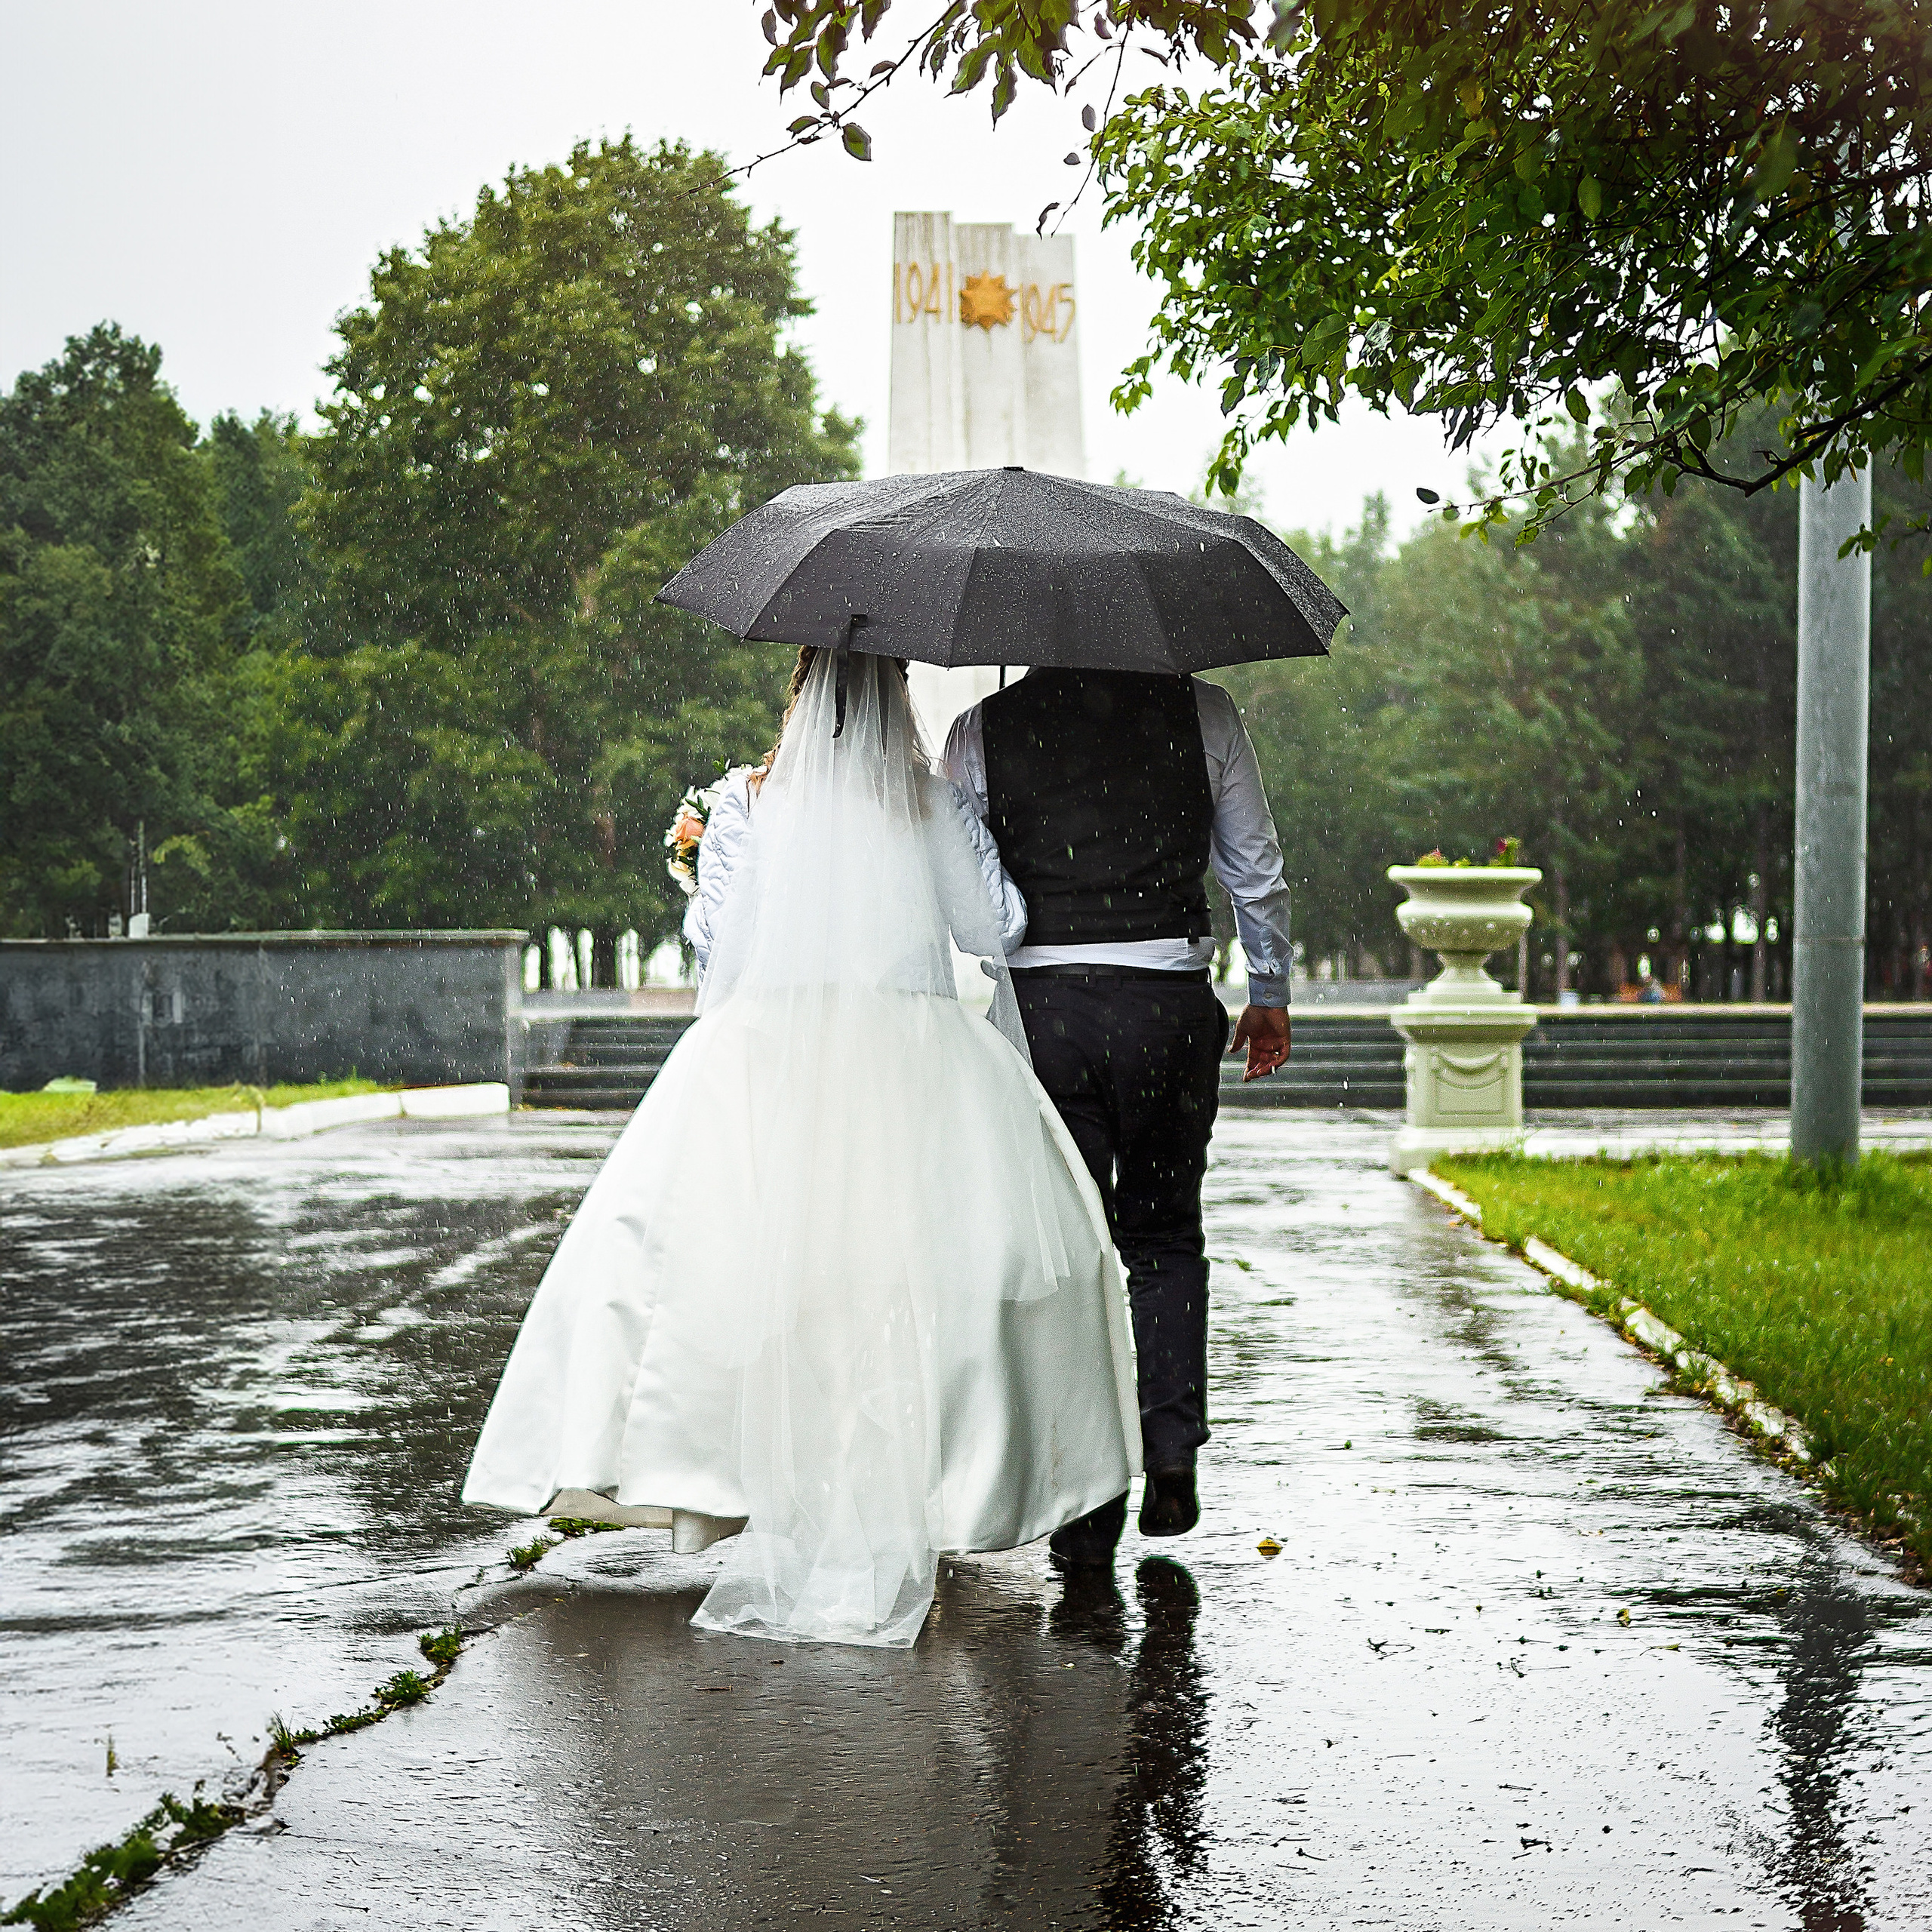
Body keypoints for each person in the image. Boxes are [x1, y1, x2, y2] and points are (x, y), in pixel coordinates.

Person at [463, 648, 1140, 1647]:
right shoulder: (931, 804)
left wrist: (708, 855)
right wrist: (977, 842)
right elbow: (996, 923)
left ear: (801, 690)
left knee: (752, 1270)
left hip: (769, 1055)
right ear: (896, 698)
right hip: (918, 1056)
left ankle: (737, 1475)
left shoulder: (745, 800)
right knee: (913, 1278)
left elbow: (717, 940)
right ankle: (928, 1481)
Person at [945, 668, 1292, 1568]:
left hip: (1047, 1013)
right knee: (1166, 1233)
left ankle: (1086, 1497)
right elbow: (1253, 863)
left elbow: (964, 890)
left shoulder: (984, 729)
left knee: (1069, 1254)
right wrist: (1271, 991)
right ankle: (1170, 1445)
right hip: (1169, 1005)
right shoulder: (1203, 712)